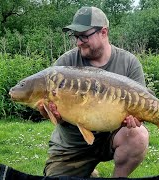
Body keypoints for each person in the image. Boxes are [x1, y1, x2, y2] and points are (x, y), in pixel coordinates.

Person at [38, 6, 150, 178]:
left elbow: (141, 108)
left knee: (138, 135)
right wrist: (51, 114)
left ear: (103, 32)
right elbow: (54, 113)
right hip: (73, 145)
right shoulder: (65, 63)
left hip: (111, 137)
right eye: (76, 37)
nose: (78, 42)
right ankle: (88, 171)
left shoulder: (129, 63)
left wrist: (136, 118)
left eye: (83, 36)